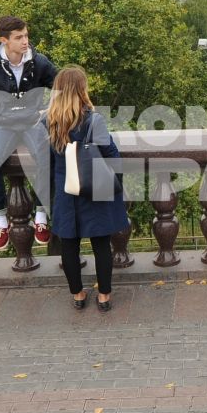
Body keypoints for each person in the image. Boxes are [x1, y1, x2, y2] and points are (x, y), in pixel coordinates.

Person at [0, 15, 59, 252]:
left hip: (32, 122)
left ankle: (41, 217)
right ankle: (1, 220)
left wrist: (49, 111)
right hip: (4, 125)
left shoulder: (39, 62)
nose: (25, 41)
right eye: (19, 37)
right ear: (4, 40)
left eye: (26, 35)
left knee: (45, 159)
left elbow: (60, 84)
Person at [45, 66, 125, 313]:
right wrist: (116, 182)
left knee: (69, 244)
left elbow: (47, 158)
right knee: (101, 244)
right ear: (82, 89)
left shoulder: (50, 120)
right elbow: (110, 154)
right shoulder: (93, 119)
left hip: (66, 189)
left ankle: (78, 295)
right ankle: (103, 296)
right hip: (94, 187)